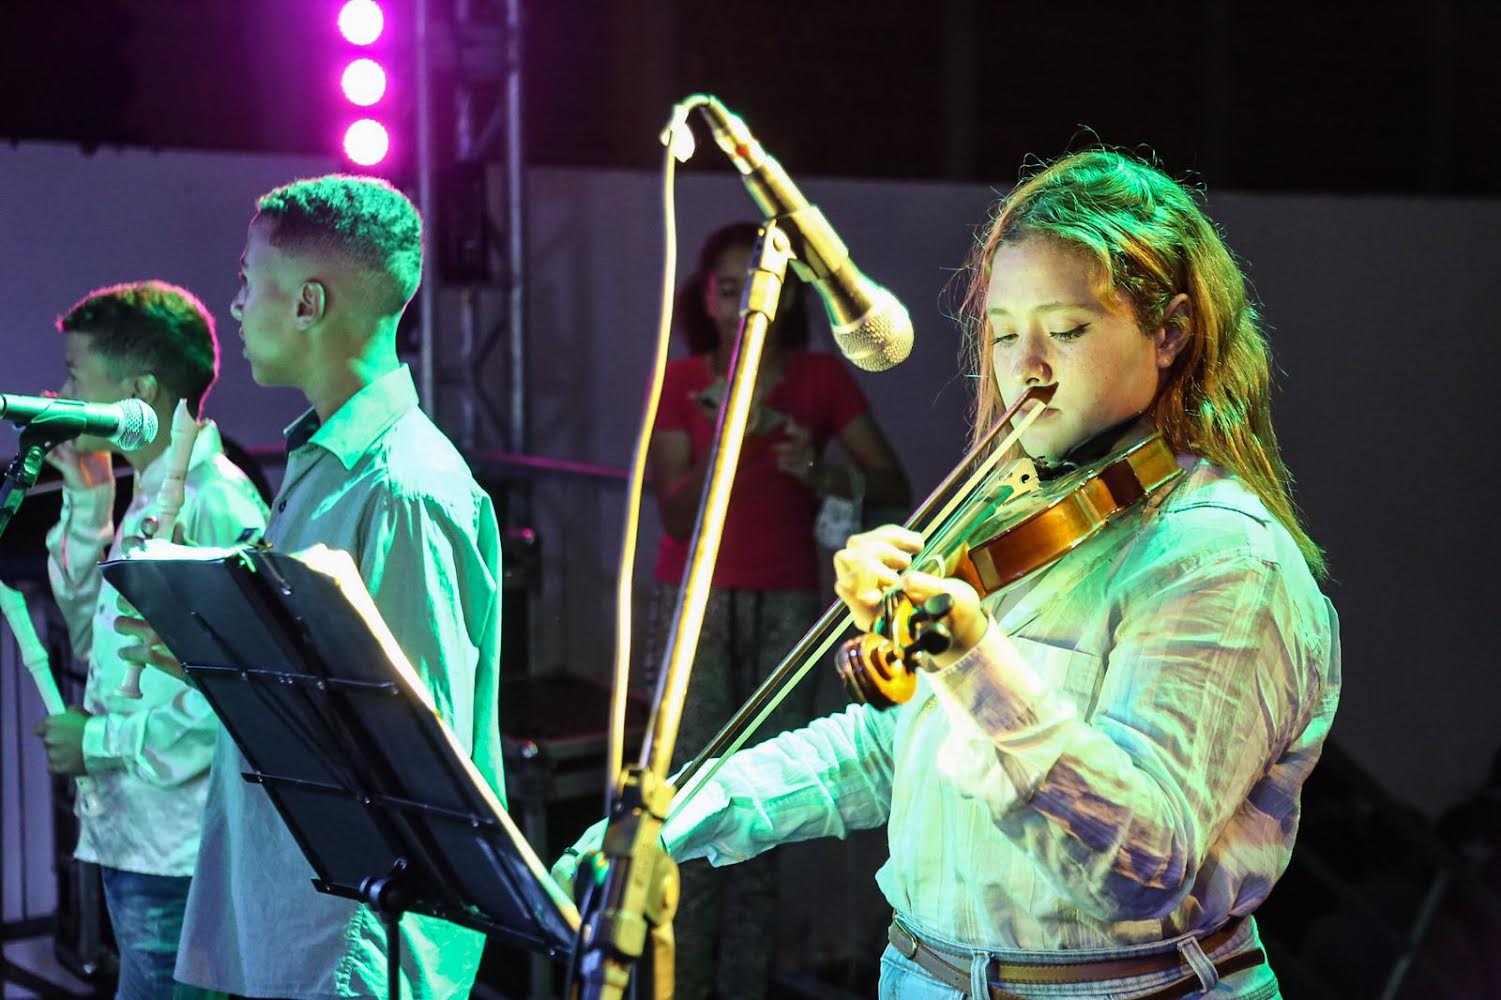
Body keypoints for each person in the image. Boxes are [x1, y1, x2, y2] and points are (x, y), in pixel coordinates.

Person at [560, 150, 1342, 999]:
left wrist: (970, 655)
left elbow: (1137, 865)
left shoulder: (1218, 560)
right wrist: (672, 818)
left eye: (1066, 330)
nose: (1026, 366)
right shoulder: (1013, 516)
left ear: (1169, 331)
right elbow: (900, 749)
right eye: (1004, 332)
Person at [117, 175, 504, 999]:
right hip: (287, 913)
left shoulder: (405, 485)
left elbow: (406, 752)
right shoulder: (325, 464)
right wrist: (207, 653)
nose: (235, 305)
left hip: (352, 935)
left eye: (248, 281)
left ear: (308, 304)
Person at [643, 221, 908, 998]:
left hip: (790, 597)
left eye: (751, 286)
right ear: (707, 297)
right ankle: (679, 983)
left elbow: (888, 482)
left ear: (785, 296)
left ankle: (744, 985)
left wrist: (821, 473)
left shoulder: (820, 381)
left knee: (764, 806)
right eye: (724, 288)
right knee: (689, 796)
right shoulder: (685, 377)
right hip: (695, 601)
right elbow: (671, 517)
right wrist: (731, 427)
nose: (737, 302)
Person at [35, 279, 270, 1000]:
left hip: (182, 854)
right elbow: (89, 641)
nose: (62, 391)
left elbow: (234, 705)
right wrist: (86, 498)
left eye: (78, 375)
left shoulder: (218, 504)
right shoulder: (146, 491)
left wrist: (97, 742)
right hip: (135, 837)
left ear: (137, 388)